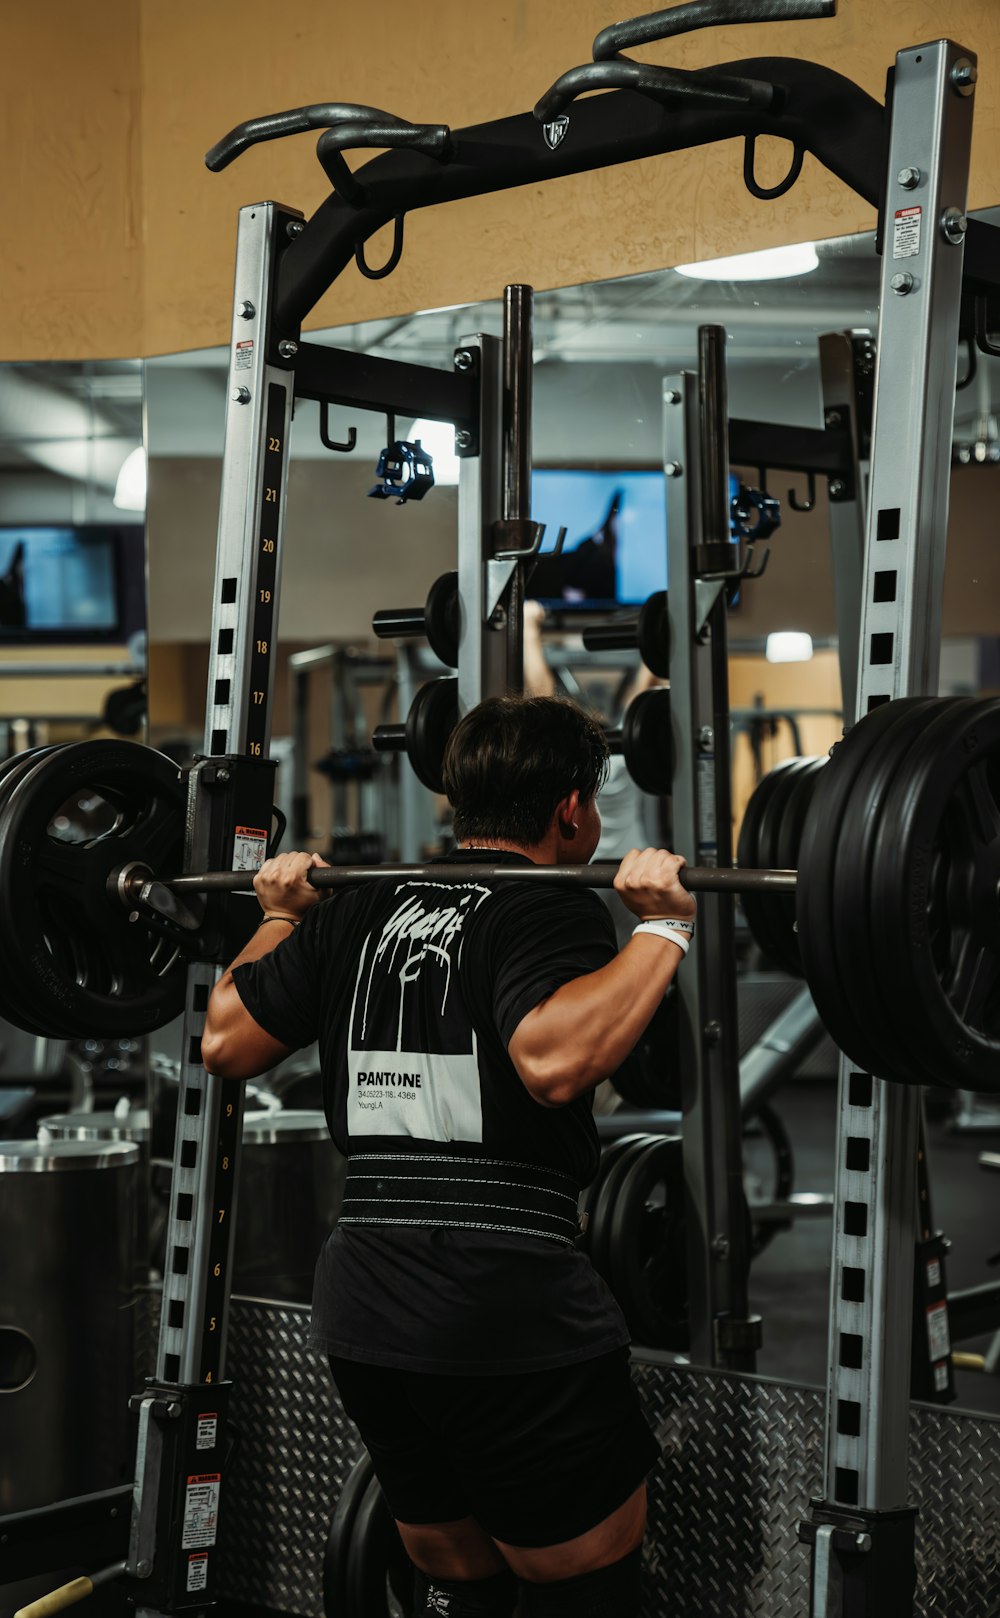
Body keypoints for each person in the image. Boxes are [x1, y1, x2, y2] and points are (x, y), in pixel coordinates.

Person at [202, 694, 697, 1618]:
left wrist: (276, 913)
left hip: (365, 1306)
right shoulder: (545, 903)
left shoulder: (359, 906)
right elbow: (553, 1061)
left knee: (455, 1573)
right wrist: (663, 928)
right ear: (571, 812)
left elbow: (226, 1041)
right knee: (580, 1571)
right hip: (501, 1302)